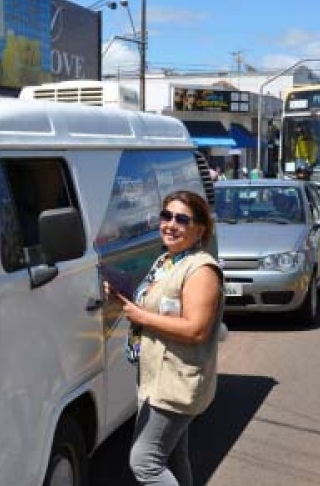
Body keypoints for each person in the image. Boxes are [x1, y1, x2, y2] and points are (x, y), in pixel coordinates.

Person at [104, 190, 223, 486]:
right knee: (172, 455)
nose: (170, 224)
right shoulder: (166, 260)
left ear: (199, 230)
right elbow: (156, 305)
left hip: (176, 382)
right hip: (158, 374)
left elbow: (196, 329)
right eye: (166, 216)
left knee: (145, 462)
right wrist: (123, 299)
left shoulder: (201, 270)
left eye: (182, 219)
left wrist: (142, 318)